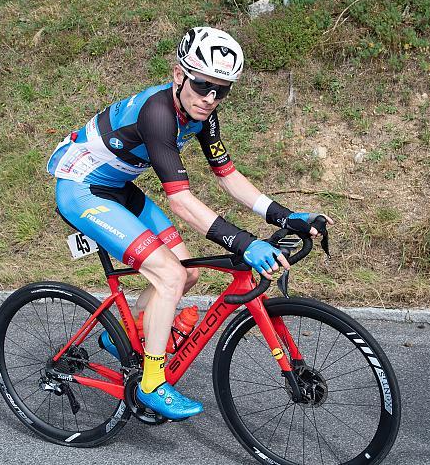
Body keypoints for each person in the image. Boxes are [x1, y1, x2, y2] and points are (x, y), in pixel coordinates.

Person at [47, 27, 333, 420]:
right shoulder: (158, 112)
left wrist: (283, 214)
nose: (210, 99)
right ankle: (151, 382)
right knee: (168, 275)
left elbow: (228, 175)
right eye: (202, 86)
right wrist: (245, 243)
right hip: (81, 189)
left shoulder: (202, 115)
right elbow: (180, 200)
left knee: (187, 273)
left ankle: (127, 338)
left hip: (117, 186)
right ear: (179, 75)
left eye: (221, 90)